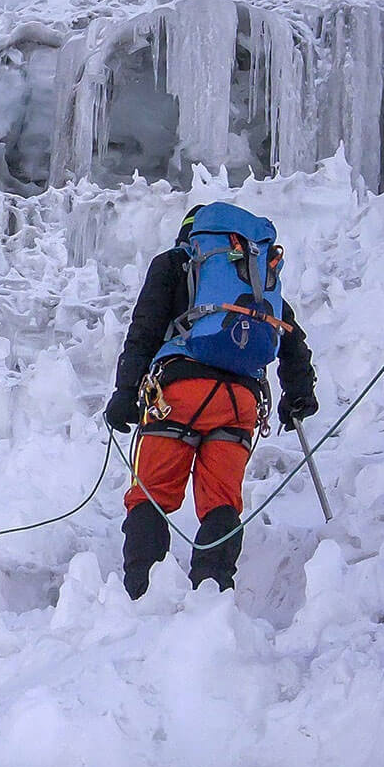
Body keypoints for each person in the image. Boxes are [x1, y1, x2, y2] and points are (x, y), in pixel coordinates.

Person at [105, 202, 319, 598]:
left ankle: (142, 595)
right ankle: (211, 593)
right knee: (221, 502)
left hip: (178, 393)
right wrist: (299, 393)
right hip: (238, 401)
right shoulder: (251, 280)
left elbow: (144, 331)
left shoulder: (173, 263)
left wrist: (124, 392)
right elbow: (289, 335)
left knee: (151, 494)